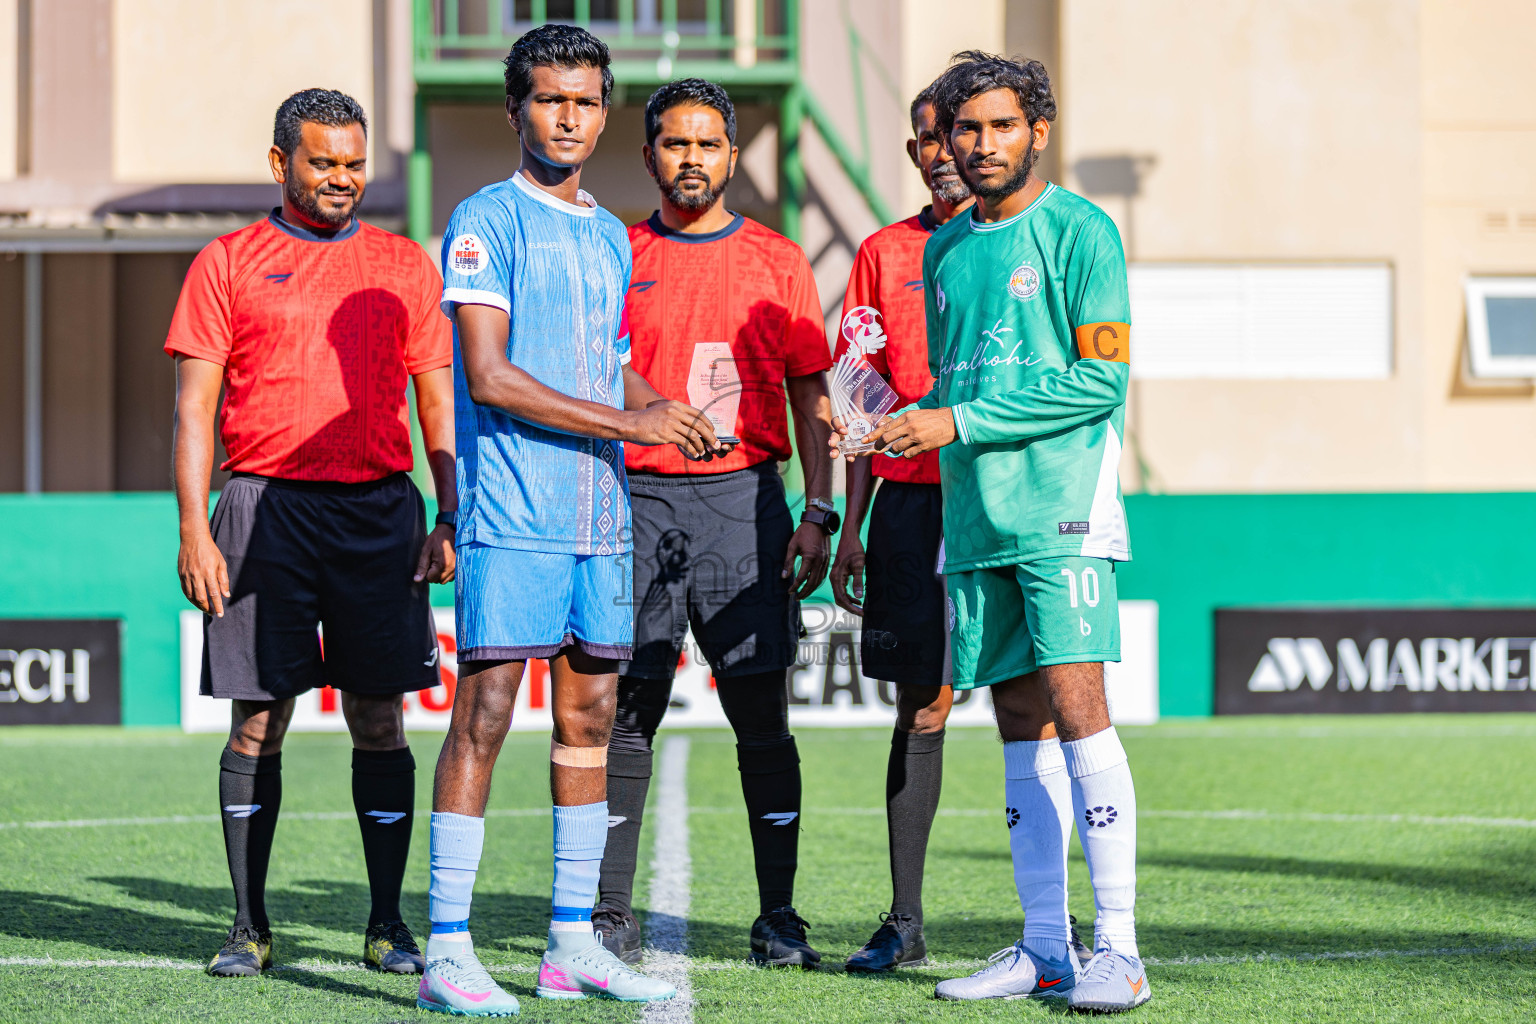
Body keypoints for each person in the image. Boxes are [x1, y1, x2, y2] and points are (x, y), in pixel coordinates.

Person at [832, 52, 1148, 1012]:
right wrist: (886, 416)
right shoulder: (945, 249)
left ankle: (1121, 951)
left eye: (1000, 126)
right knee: (1016, 723)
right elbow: (960, 382)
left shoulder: (1083, 232)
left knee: (1077, 703)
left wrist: (954, 423)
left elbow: (1101, 380)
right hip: (973, 521)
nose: (979, 145)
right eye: (964, 129)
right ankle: (1045, 946)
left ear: (1038, 132)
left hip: (1062, 510)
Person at [418, 26, 714, 1015]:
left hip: (601, 514)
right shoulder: (483, 218)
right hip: (513, 507)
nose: (569, 117)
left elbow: (605, 364)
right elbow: (492, 377)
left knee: (588, 718)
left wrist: (665, 410)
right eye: (550, 100)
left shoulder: (605, 233)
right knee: (486, 715)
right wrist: (630, 418)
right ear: (516, 110)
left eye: (586, 101)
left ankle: (570, 944)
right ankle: (447, 950)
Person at [167, 88, 456, 978]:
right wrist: (193, 527)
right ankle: (248, 927)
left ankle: (386, 924)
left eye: (354, 163)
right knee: (258, 722)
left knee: (380, 719)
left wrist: (450, 513)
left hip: (378, 512)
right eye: (324, 161)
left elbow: (438, 397)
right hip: (263, 512)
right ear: (280, 163)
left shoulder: (405, 263)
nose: (342, 178)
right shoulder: (227, 261)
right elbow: (193, 410)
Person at [590, 78, 836, 969]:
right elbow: (593, 370)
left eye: (707, 144)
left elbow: (814, 393)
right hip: (637, 500)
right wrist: (651, 405)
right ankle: (609, 912)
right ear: (649, 153)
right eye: (673, 143)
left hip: (747, 505)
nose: (690, 159)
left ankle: (779, 915)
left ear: (732, 155)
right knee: (628, 713)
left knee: (760, 716)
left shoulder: (778, 260)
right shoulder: (613, 253)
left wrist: (819, 509)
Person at [827, 82, 969, 973]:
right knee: (922, 704)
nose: (942, 149)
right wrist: (850, 525)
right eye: (926, 138)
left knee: (1043, 707)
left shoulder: (1034, 239)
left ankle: (1065, 924)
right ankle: (906, 924)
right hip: (910, 503)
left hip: (1011, 502)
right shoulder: (883, 253)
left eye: (953, 132)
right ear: (913, 151)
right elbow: (856, 384)